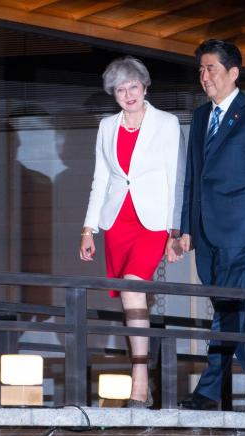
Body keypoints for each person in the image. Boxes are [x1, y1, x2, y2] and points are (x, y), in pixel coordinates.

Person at [174, 39, 245, 411]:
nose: (204, 77)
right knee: (231, 310)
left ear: (233, 74)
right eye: (200, 70)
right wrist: (186, 228)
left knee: (226, 311)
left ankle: (208, 391)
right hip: (205, 231)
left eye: (211, 69)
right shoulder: (201, 116)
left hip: (239, 229)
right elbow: (193, 176)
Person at [79, 56, 185, 408]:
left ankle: (140, 381)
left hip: (152, 221)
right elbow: (101, 179)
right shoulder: (107, 126)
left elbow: (176, 177)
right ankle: (141, 373)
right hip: (117, 221)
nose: (128, 95)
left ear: (145, 86)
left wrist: (175, 230)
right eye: (120, 89)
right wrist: (88, 228)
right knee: (130, 295)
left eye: (133, 87)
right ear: (113, 93)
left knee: (134, 285)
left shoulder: (166, 123)